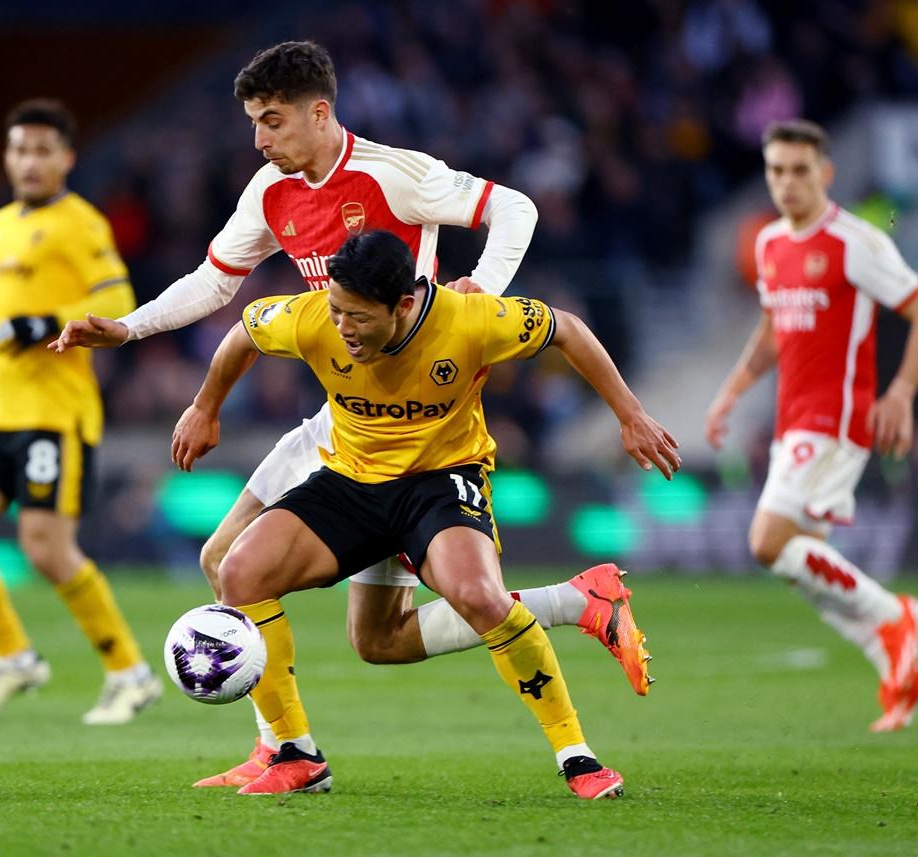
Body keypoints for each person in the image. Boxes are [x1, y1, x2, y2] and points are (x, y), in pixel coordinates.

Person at [52, 40, 656, 783]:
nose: (259, 140)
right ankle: (288, 748)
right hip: (343, 420)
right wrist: (129, 327)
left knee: (376, 621)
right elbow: (217, 286)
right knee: (254, 577)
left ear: (320, 111)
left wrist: (482, 287)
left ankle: (292, 747)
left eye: (271, 121)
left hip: (426, 418)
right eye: (253, 123)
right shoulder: (270, 193)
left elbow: (514, 207)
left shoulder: (394, 176)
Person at [173, 230, 680, 797]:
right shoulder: (312, 316)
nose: (343, 329)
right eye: (337, 312)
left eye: (359, 317)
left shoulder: (470, 320)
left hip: (440, 483)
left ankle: (577, 757)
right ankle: (294, 755)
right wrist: (203, 407)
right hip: (352, 482)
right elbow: (243, 333)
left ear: (406, 304)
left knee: (480, 597)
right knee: (247, 576)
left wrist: (630, 415)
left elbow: (567, 329)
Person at [0, 99, 162, 725]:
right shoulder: (0, 223)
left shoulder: (80, 223)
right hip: (0, 412)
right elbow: (5, 318)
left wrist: (47, 323)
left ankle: (129, 674)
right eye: (20, 150)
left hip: (55, 414)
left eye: (42, 151)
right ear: (7, 156)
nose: (30, 162)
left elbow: (118, 296)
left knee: (47, 550)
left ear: (67, 158)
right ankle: (14, 659)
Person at [704, 119, 918, 732]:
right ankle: (898, 664)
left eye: (799, 170)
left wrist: (902, 392)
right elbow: (771, 331)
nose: (786, 183)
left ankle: (896, 616)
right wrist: (731, 392)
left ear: (825, 174)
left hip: (837, 419)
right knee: (799, 562)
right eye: (776, 170)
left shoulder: (856, 242)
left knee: (767, 541)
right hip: (793, 420)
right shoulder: (769, 245)